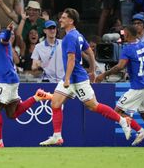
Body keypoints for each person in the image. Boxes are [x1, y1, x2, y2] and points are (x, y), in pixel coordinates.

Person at [39, 8, 131, 146]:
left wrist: (67, 79)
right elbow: (90, 53)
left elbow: (71, 59)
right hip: (72, 78)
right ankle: (57, 136)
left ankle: (122, 120)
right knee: (55, 103)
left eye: (63, 18)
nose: (60, 20)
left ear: (71, 20)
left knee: (93, 106)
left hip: (76, 79)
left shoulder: (70, 37)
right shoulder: (78, 35)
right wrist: (93, 71)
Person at [0, 19, 52, 148]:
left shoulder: (1, 38)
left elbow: (5, 38)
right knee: (13, 114)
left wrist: (9, 31)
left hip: (6, 80)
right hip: (10, 80)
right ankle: (37, 97)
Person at [96, 25, 144, 147]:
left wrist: (104, 75)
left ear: (128, 34)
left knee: (118, 111)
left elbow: (120, 66)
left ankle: (140, 131)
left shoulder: (128, 49)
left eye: (124, 33)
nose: (123, 35)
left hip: (137, 87)